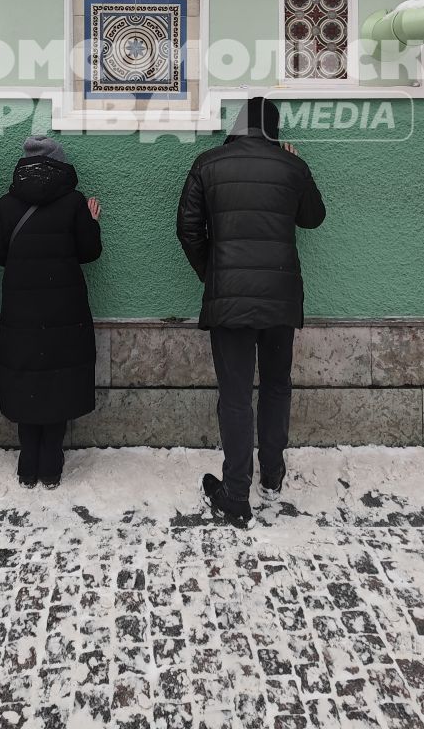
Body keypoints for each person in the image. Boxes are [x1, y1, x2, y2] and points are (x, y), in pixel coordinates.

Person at [176, 97, 326, 528]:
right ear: (274, 128)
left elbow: (187, 228)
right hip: (280, 298)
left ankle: (235, 493)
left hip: (230, 301)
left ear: (237, 124)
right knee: (277, 385)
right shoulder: (290, 167)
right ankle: (273, 476)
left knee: (236, 394)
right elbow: (313, 218)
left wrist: (214, 274)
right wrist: (300, 167)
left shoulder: (208, 163)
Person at [0, 135, 102, 488]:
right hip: (64, 308)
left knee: (26, 374)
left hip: (21, 308)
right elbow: (89, 253)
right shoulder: (74, 202)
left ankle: (27, 462)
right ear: (61, 165)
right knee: (59, 377)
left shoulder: (8, 204)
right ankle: (51, 462)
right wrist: (91, 222)